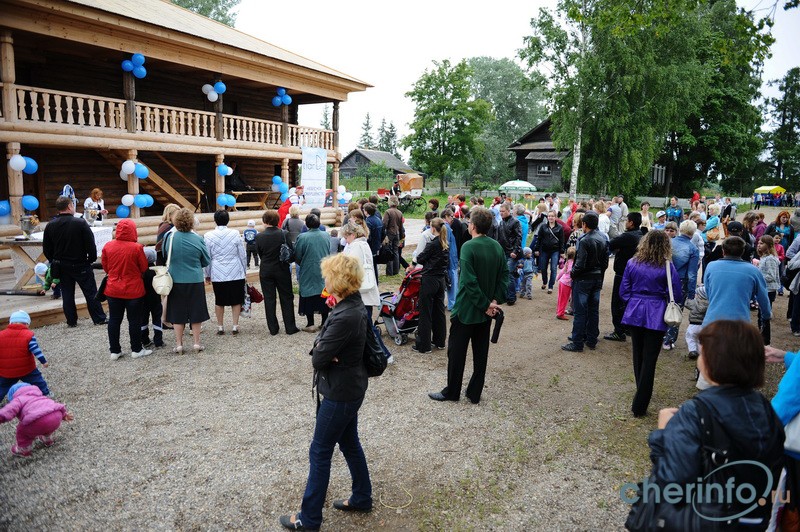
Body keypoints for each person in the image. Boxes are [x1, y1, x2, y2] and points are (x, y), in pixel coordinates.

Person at [637, 321, 783, 527]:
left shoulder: (695, 413)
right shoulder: (765, 409)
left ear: (715, 362)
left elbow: (670, 485)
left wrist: (664, 436)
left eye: (703, 353)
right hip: (753, 519)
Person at [279, 254, 372, 531]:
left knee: (320, 450)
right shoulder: (352, 305)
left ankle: (309, 520)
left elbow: (318, 357)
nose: (324, 279)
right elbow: (324, 351)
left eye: (328, 275)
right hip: (349, 387)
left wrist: (323, 350)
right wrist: (325, 349)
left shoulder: (346, 315)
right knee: (349, 442)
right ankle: (362, 497)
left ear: (339, 280)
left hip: (341, 392)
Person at [428, 207, 507, 404]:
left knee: (456, 353)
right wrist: (494, 302)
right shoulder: (496, 246)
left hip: (467, 311)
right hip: (486, 312)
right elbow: (504, 276)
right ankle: (474, 393)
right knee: (481, 354)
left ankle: (452, 392)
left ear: (472, 225)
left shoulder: (469, 247)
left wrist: (486, 303)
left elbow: (469, 282)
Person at [619, 230, 681, 417]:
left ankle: (641, 394)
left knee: (638, 355)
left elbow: (624, 290)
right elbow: (676, 294)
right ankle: (641, 401)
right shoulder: (668, 266)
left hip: (635, 310)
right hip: (656, 311)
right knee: (650, 359)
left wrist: (634, 302)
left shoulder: (632, 263)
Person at [42, 196, 107, 327]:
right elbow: (90, 244)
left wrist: (54, 261)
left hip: (62, 265)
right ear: (70, 207)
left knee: (67, 294)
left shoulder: (50, 225)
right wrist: (91, 259)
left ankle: (71, 321)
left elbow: (47, 249)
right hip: (81, 263)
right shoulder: (80, 223)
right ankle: (99, 318)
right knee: (90, 292)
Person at [341, 221, 392, 362]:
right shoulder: (363, 244)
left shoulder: (356, 246)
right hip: (364, 291)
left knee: (367, 326)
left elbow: (351, 268)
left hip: (361, 292)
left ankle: (384, 354)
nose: (345, 239)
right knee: (364, 325)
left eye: (346, 236)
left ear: (352, 234)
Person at [101, 218, 150, 360]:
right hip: (133, 289)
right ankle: (136, 349)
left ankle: (115, 351)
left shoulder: (108, 246)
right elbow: (144, 267)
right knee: (134, 320)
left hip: (113, 288)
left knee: (114, 320)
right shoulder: (136, 247)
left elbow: (106, 267)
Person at [163, 208, 211, 352]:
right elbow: (206, 260)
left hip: (175, 278)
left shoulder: (169, 237)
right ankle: (196, 342)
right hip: (195, 278)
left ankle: (179, 344)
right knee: (196, 310)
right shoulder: (198, 238)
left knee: (177, 312)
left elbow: (166, 256)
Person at [562, 212, 609, 352]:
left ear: (584, 224)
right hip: (596, 278)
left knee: (580, 312)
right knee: (593, 310)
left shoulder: (584, 240)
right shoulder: (603, 238)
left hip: (584, 279)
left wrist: (573, 274)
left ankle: (577, 341)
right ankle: (591, 338)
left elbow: (580, 263)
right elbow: (605, 262)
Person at [703, 236, 771, 326]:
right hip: (740, 322)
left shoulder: (711, 266)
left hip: (713, 320)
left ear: (723, 251)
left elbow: (708, 292)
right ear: (743, 252)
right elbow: (763, 297)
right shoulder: (753, 271)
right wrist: (766, 315)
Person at [255, 209, 300, 336]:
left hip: (266, 270)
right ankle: (290, 327)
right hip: (281, 269)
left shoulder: (259, 236)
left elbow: (260, 254)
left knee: (269, 299)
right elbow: (291, 250)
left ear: (265, 221)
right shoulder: (283, 234)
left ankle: (273, 328)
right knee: (286, 297)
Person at [0, 382, 74, 458]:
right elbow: (52, 405)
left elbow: (8, 411)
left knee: (22, 431)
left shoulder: (18, 399)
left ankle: (24, 449)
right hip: (57, 416)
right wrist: (64, 415)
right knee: (47, 422)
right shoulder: (40, 396)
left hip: (39, 422)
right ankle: (47, 438)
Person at [204, 210, 247, 336]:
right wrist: (243, 270)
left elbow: (208, 257)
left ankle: (220, 326)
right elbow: (242, 254)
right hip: (235, 269)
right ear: (228, 220)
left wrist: (207, 274)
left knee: (219, 300)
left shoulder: (208, 235)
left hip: (218, 271)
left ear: (215, 220)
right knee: (236, 299)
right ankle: (235, 325)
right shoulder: (235, 234)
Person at [411, 218, 449, 354]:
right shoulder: (445, 244)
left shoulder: (432, 244)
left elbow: (420, 258)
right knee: (439, 312)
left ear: (432, 229)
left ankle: (424, 345)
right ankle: (440, 341)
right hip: (440, 280)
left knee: (425, 312)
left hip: (429, 279)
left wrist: (414, 262)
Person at [603, 213, 644, 342]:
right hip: (634, 274)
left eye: (627, 220)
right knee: (628, 301)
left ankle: (619, 331)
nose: (625, 222)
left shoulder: (628, 236)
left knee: (617, 302)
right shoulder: (640, 235)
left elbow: (610, 244)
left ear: (631, 222)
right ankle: (627, 327)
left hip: (623, 274)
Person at [661, 220, 699, 351]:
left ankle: (658, 334)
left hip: (663, 278)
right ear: (693, 232)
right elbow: (692, 274)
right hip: (680, 281)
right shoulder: (693, 248)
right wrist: (691, 293)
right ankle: (668, 340)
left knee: (661, 306)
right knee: (675, 310)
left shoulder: (668, 242)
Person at [0, 310, 51, 398]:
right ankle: (46, 394)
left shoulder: (1, 335)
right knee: (37, 381)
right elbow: (36, 350)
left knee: (2, 386)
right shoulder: (29, 335)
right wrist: (43, 361)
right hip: (26, 369)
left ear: (11, 322)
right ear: (27, 323)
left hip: (6, 370)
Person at [294, 214, 332, 333]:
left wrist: (303, 263)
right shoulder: (326, 235)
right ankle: (324, 321)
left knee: (308, 293)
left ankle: (310, 323)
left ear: (306, 224)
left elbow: (297, 255)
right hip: (323, 268)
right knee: (323, 292)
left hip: (308, 268)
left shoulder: (302, 237)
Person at [756, 235, 780, 346]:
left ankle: (766, 342)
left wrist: (757, 277)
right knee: (760, 314)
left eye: (762, 243)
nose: (759, 245)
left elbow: (771, 276)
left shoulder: (770, 259)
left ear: (769, 245)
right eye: (758, 243)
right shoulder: (764, 257)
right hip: (763, 289)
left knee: (765, 315)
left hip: (768, 290)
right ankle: (761, 337)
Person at [498, 203, 523, 305]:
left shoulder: (515, 222)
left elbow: (518, 237)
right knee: (504, 273)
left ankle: (511, 297)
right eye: (500, 211)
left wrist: (515, 251)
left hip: (512, 252)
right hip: (503, 251)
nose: (501, 213)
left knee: (509, 273)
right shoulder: (501, 222)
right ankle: (505, 295)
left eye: (503, 211)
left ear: (509, 211)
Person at [535, 210, 564, 295]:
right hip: (544, 250)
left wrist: (562, 251)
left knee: (553, 268)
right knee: (543, 267)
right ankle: (545, 281)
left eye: (552, 216)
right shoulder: (543, 227)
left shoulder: (560, 227)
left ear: (555, 217)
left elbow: (562, 241)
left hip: (555, 250)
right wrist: (536, 249)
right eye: (549, 216)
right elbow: (539, 239)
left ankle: (550, 286)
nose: (550, 217)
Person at [140, 248, 163, 350]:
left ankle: (144, 340)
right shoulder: (156, 271)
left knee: (143, 319)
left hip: (143, 299)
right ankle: (158, 340)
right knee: (157, 319)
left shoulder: (140, 271)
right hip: (155, 299)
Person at [683, 285, 708, 360]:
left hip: (693, 324)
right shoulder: (709, 304)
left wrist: (687, 298)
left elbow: (686, 304)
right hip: (703, 325)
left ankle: (692, 351)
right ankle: (701, 353)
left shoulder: (694, 302)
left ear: (699, 295)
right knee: (700, 340)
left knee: (690, 337)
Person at [382, 196, 404, 276]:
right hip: (397, 233)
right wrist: (402, 236)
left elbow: (384, 224)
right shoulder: (399, 212)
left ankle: (389, 272)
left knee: (389, 252)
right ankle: (396, 270)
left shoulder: (388, 212)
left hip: (389, 234)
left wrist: (383, 234)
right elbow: (401, 226)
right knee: (396, 252)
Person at [556, 247, 576, 320]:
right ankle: (560, 314)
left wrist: (557, 278)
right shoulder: (573, 264)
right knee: (564, 299)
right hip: (567, 284)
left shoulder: (568, 262)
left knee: (560, 298)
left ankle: (559, 311)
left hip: (562, 281)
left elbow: (562, 271)